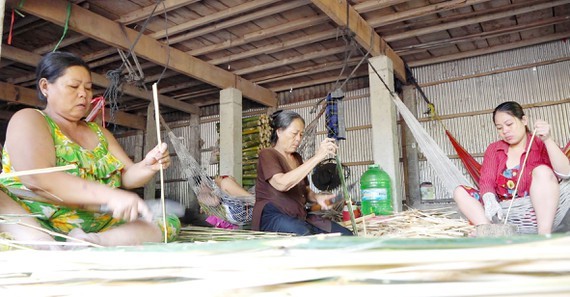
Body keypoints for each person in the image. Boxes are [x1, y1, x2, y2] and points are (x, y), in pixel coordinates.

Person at [0, 51, 180, 248]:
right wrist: (109, 195)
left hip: (93, 223)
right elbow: (37, 178)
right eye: (73, 86)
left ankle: (90, 242)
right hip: (35, 219)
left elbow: (127, 176)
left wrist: (147, 166)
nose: (83, 94)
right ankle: (41, 243)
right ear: (45, 87)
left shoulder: (100, 133)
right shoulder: (30, 119)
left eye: (88, 88)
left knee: (166, 220)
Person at [453, 101, 570, 234]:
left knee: (543, 171)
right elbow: (487, 179)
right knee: (460, 191)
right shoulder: (494, 149)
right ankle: (489, 231)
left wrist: (548, 140)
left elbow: (565, 173)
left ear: (524, 120)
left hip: (535, 211)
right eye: (499, 128)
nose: (505, 131)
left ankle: (544, 234)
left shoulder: (539, 143)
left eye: (509, 124)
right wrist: (489, 198)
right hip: (502, 214)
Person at [252, 110, 353, 236]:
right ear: (279, 131)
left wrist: (316, 197)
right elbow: (281, 184)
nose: (298, 139)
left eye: (301, 134)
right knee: (306, 237)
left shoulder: (297, 158)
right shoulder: (267, 154)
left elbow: (305, 191)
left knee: (346, 235)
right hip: (273, 217)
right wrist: (317, 157)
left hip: (300, 216)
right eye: (294, 134)